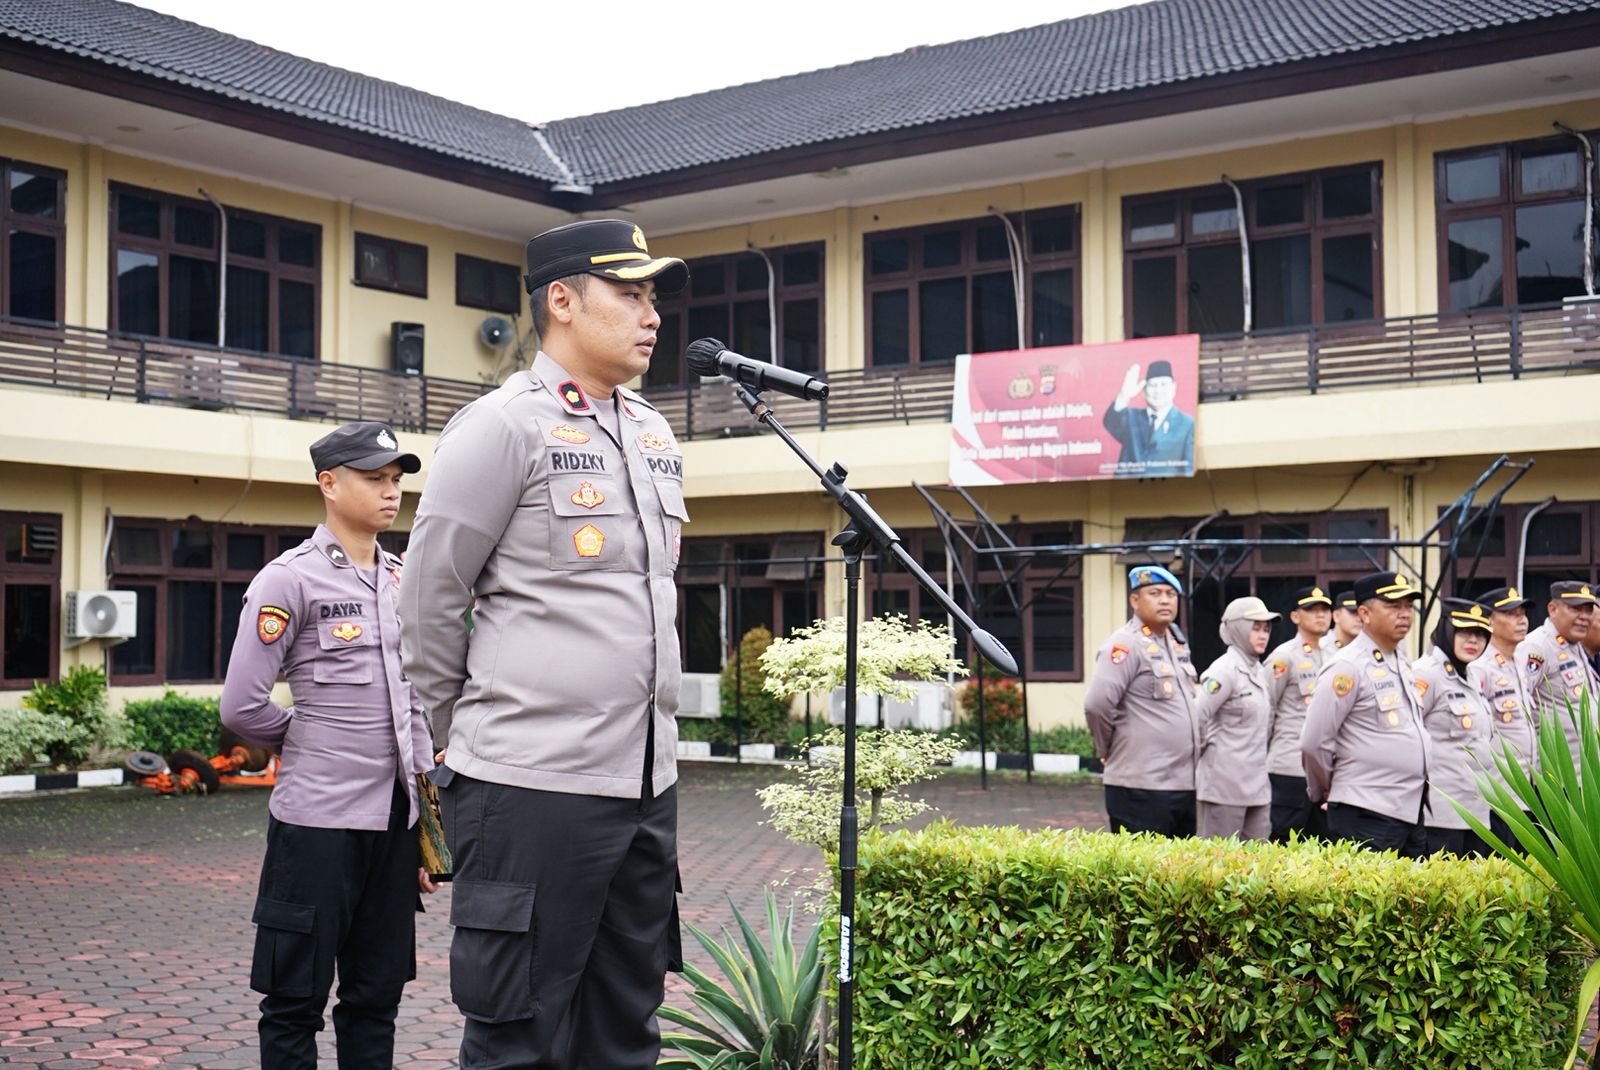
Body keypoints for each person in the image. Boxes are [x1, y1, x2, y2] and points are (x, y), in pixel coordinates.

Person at [398, 219, 691, 1070]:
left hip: (645, 784)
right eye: (629, 294)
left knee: (626, 1030)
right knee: (518, 1035)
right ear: (561, 301)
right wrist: (455, 735)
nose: (651, 315)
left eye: (652, 297)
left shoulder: (653, 432)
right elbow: (429, 599)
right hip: (530, 784)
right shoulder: (502, 427)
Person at [220, 421, 434, 1070]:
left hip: (395, 828)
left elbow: (417, 714)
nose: (390, 492)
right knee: (293, 1002)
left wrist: (433, 836)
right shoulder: (289, 580)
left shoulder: (403, 579)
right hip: (316, 827)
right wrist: (312, 742)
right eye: (374, 479)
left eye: (395, 480)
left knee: (377, 999)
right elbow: (242, 705)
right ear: (329, 484)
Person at [1301, 571, 1432, 856]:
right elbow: (1314, 740)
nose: (1404, 614)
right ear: (1365, 613)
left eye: (1408, 606)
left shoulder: (1400, 661)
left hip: (1409, 808)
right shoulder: (1348, 666)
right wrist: (1325, 789)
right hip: (1367, 809)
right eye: (1393, 606)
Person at [1083, 565, 1201, 836]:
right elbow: (1097, 705)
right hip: (1140, 785)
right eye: (1155, 593)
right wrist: (1106, 748)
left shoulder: (1176, 644)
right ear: (1135, 601)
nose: (1165, 600)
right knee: (1142, 863)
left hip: (1184, 784)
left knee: (1180, 863)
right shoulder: (1125, 644)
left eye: (1171, 594)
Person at [1414, 601, 1496, 857]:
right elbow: (1408, 738)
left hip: (1477, 812)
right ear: (1447, 631)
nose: (1474, 640)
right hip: (1441, 815)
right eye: (1464, 632)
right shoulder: (1426, 674)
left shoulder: (1471, 676)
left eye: (1481, 634)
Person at [1194, 596, 1280, 839]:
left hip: (1257, 785)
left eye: (1266, 629)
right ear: (1238, 629)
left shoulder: (1258, 670)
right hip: (1223, 786)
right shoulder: (1224, 670)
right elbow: (1196, 717)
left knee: (1257, 857)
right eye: (1255, 628)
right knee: (1219, 858)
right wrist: (1210, 752)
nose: (1263, 635)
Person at [1467, 585, 1538, 851]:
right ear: (1489, 622)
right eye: (1510, 614)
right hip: (1499, 792)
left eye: (1522, 613)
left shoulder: (1519, 662)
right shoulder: (1480, 667)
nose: (1521, 620)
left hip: (1525, 791)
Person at [1263, 585, 1333, 841]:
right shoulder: (1284, 657)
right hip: (1289, 766)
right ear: (1295, 616)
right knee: (1284, 839)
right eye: (1312, 609)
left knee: (1324, 842)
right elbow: (1267, 709)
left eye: (1325, 609)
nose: (1320, 615)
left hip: (1325, 770)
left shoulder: (1335, 655)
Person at [1518, 580, 1600, 775]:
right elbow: (1519, 708)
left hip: (1584, 772)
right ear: (1553, 609)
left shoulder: (1574, 645)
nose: (1583, 617)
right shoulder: (1537, 646)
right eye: (1575, 609)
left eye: (1588, 610)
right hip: (1558, 776)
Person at [1101, 359, 1195, 471]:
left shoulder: (1187, 424)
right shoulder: (1131, 418)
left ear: (1173, 388)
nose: (1158, 391)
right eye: (1153, 385)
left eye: (1163, 384)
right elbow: (1110, 422)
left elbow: (1188, 468)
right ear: (1144, 391)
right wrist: (1124, 396)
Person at [1320, 589, 1363, 653]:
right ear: (1336, 616)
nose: (1359, 619)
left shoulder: (1368, 647)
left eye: (1362, 613)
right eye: (1353, 612)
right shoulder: (1320, 647)